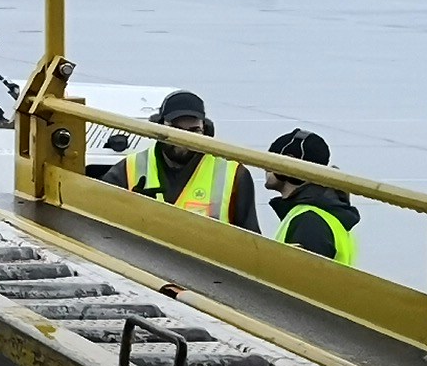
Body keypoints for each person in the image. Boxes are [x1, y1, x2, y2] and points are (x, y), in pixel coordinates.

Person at [116, 89, 259, 228]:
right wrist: (130, 208)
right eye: (176, 130)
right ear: (158, 128)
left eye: (194, 131)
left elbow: (251, 239)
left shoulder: (234, 175)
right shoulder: (128, 169)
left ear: (206, 131)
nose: (184, 140)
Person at [267, 128, 359, 265]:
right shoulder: (318, 211)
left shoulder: (309, 221)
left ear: (289, 164)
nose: (265, 167)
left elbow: (299, 275)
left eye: (270, 162)